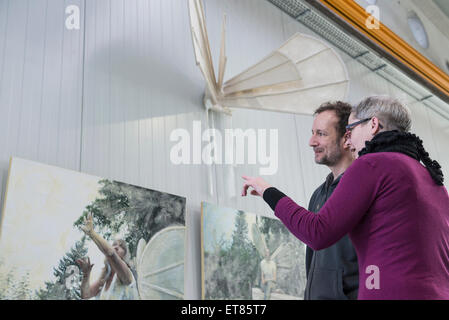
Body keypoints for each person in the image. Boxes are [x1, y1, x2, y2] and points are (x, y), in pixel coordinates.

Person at [241, 96, 449, 299]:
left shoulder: (372, 164)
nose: (349, 139)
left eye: (352, 129)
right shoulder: (433, 180)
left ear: (373, 124)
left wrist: (267, 191)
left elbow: (317, 232)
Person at [305, 101, 358, 300]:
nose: (311, 141)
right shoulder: (318, 195)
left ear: (346, 139)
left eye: (321, 134)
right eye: (313, 132)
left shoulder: (363, 189)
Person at [76, 212, 139, 300]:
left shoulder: (126, 273)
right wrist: (86, 275)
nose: (116, 247)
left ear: (125, 255)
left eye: (121, 246)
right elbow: (85, 295)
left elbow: (111, 253)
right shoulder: (104, 279)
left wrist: (92, 233)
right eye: (114, 244)